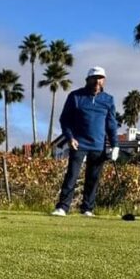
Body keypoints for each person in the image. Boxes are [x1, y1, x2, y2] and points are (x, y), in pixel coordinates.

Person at [52, 66, 119, 217]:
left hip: (98, 145)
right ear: (87, 80)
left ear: (104, 80)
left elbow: (111, 124)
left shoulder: (108, 100)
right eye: (94, 78)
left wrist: (115, 146)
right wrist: (70, 138)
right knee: (72, 175)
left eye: (100, 78)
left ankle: (87, 208)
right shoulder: (75, 96)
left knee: (93, 178)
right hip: (79, 143)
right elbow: (65, 120)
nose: (97, 81)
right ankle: (62, 207)